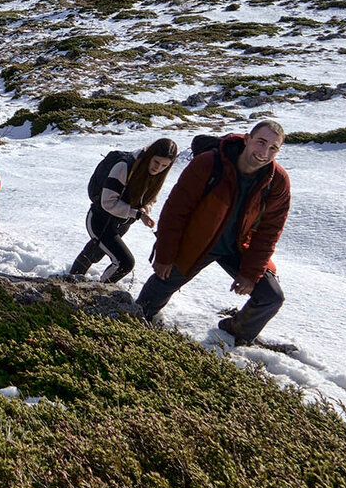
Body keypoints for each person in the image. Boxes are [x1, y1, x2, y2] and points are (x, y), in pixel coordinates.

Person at [136, 121, 291, 345]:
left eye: (273, 148)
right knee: (151, 297)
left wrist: (251, 272)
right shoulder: (209, 163)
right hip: (195, 242)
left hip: (237, 246)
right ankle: (135, 321)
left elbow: (270, 231)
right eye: (261, 142)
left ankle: (237, 332)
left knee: (271, 297)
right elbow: (175, 210)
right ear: (247, 139)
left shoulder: (277, 180)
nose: (264, 153)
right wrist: (164, 254)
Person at [70, 138, 178, 283]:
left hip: (122, 223)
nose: (158, 168)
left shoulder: (157, 176)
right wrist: (137, 214)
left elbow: (151, 199)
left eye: (165, 165)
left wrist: (144, 210)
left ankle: (70, 281)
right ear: (149, 156)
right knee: (125, 262)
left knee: (94, 252)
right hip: (100, 220)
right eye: (156, 162)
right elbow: (108, 202)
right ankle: (98, 291)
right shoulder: (124, 166)